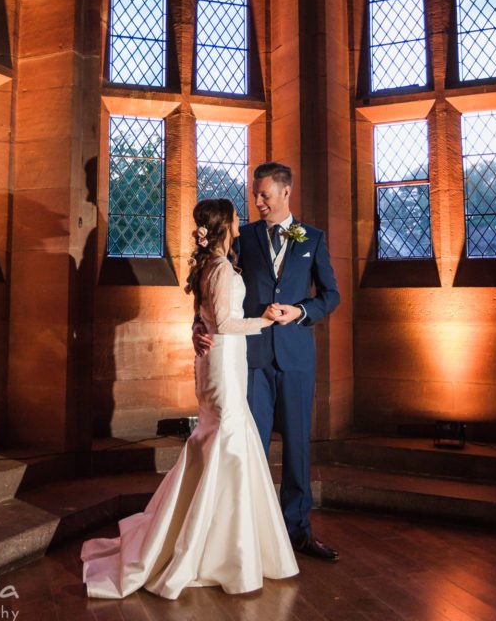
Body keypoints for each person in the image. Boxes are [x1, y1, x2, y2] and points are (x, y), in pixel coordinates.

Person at [81, 198, 299, 599]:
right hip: (222, 362)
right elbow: (225, 322)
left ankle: (220, 539)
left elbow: (205, 317)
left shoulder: (215, 265)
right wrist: (265, 322)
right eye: (235, 217)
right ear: (224, 226)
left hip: (222, 360)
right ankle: (216, 549)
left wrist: (201, 326)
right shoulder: (217, 268)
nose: (241, 221)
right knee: (227, 440)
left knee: (221, 440)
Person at [194, 162, 341, 560]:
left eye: (264, 194)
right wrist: (198, 323)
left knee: (296, 448)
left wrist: (301, 311)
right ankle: (251, 534)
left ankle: (297, 532)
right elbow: (210, 282)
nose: (257, 201)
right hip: (252, 359)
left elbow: (331, 295)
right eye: (255, 194)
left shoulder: (312, 237)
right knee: (251, 447)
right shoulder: (244, 236)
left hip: (295, 357)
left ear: (285, 192)